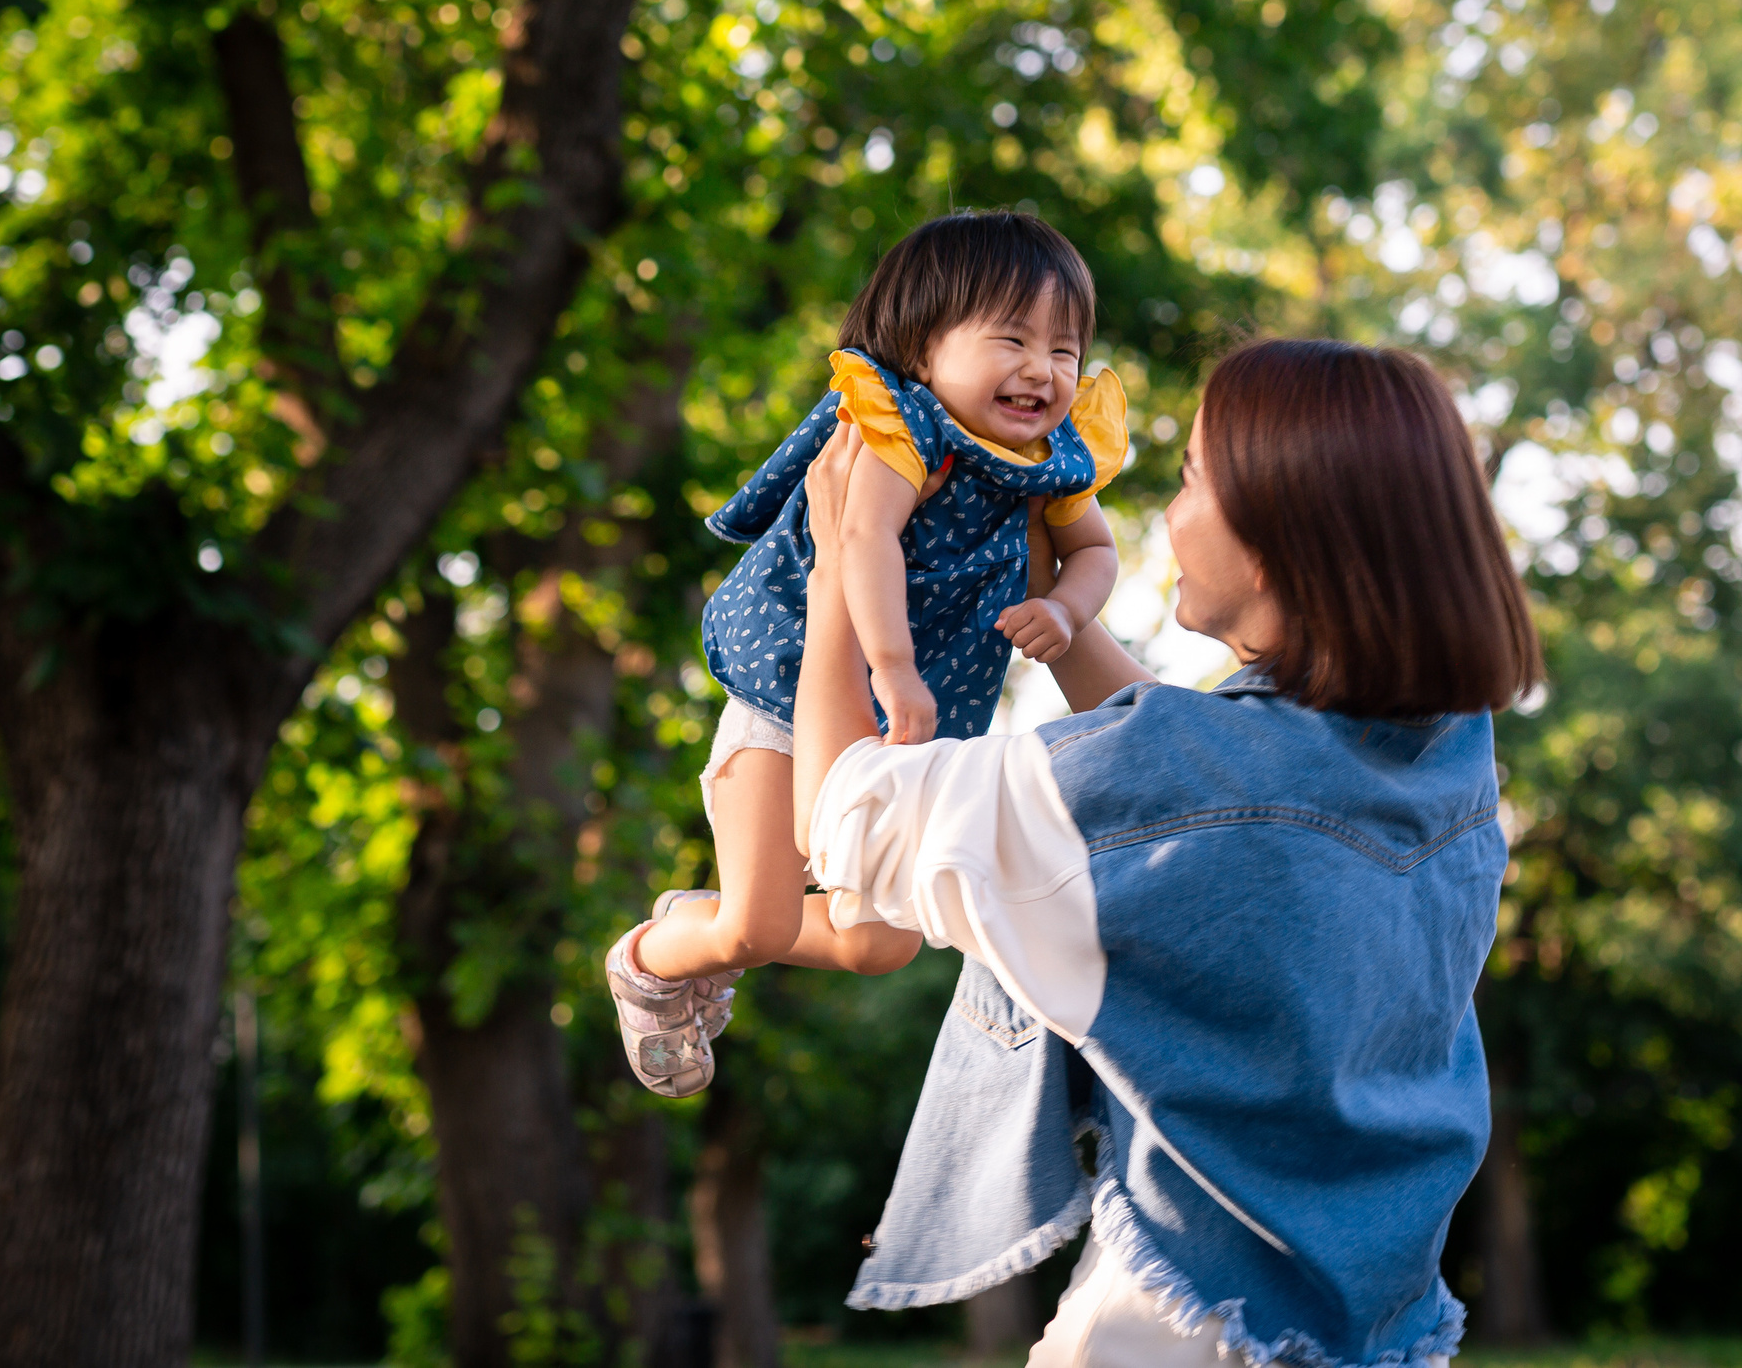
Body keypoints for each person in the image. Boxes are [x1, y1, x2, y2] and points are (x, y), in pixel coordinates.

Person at [788, 338, 1540, 1368]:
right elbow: (1205, 791)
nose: (1170, 514)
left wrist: (840, 566)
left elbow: (845, 814)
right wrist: (1050, 602)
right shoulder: (1443, 752)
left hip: (1172, 1332)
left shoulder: (1193, 781)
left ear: (1276, 538)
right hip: (1366, 1328)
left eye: (1189, 478)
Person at [606, 210, 1129, 1097]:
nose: (1042, 369)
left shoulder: (1050, 458)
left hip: (909, 723)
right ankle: (652, 958)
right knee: (758, 928)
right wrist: (892, 667)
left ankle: (708, 910)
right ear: (923, 349)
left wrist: (1064, 610)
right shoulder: (897, 426)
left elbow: (1097, 551)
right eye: (1012, 339)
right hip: (793, 689)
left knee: (883, 944)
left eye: (1065, 349)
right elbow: (863, 540)